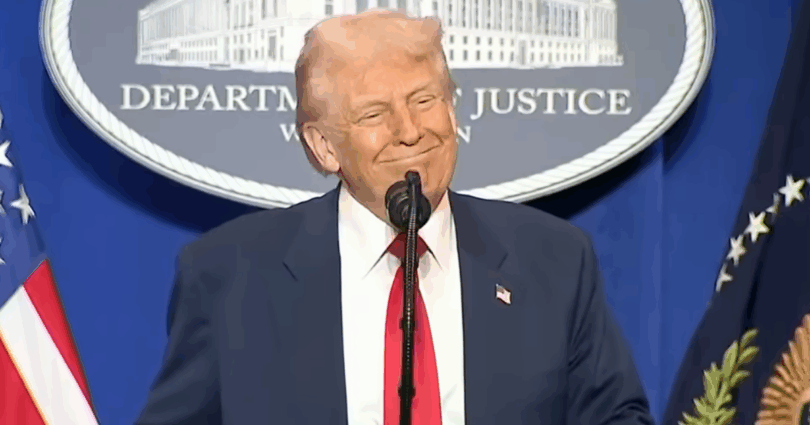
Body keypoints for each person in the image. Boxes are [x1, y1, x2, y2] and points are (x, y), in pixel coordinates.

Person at [136, 9, 654, 425]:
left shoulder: (552, 260)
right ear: (323, 146)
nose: (410, 131)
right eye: (374, 114)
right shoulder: (230, 276)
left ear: (452, 110)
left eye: (425, 100)